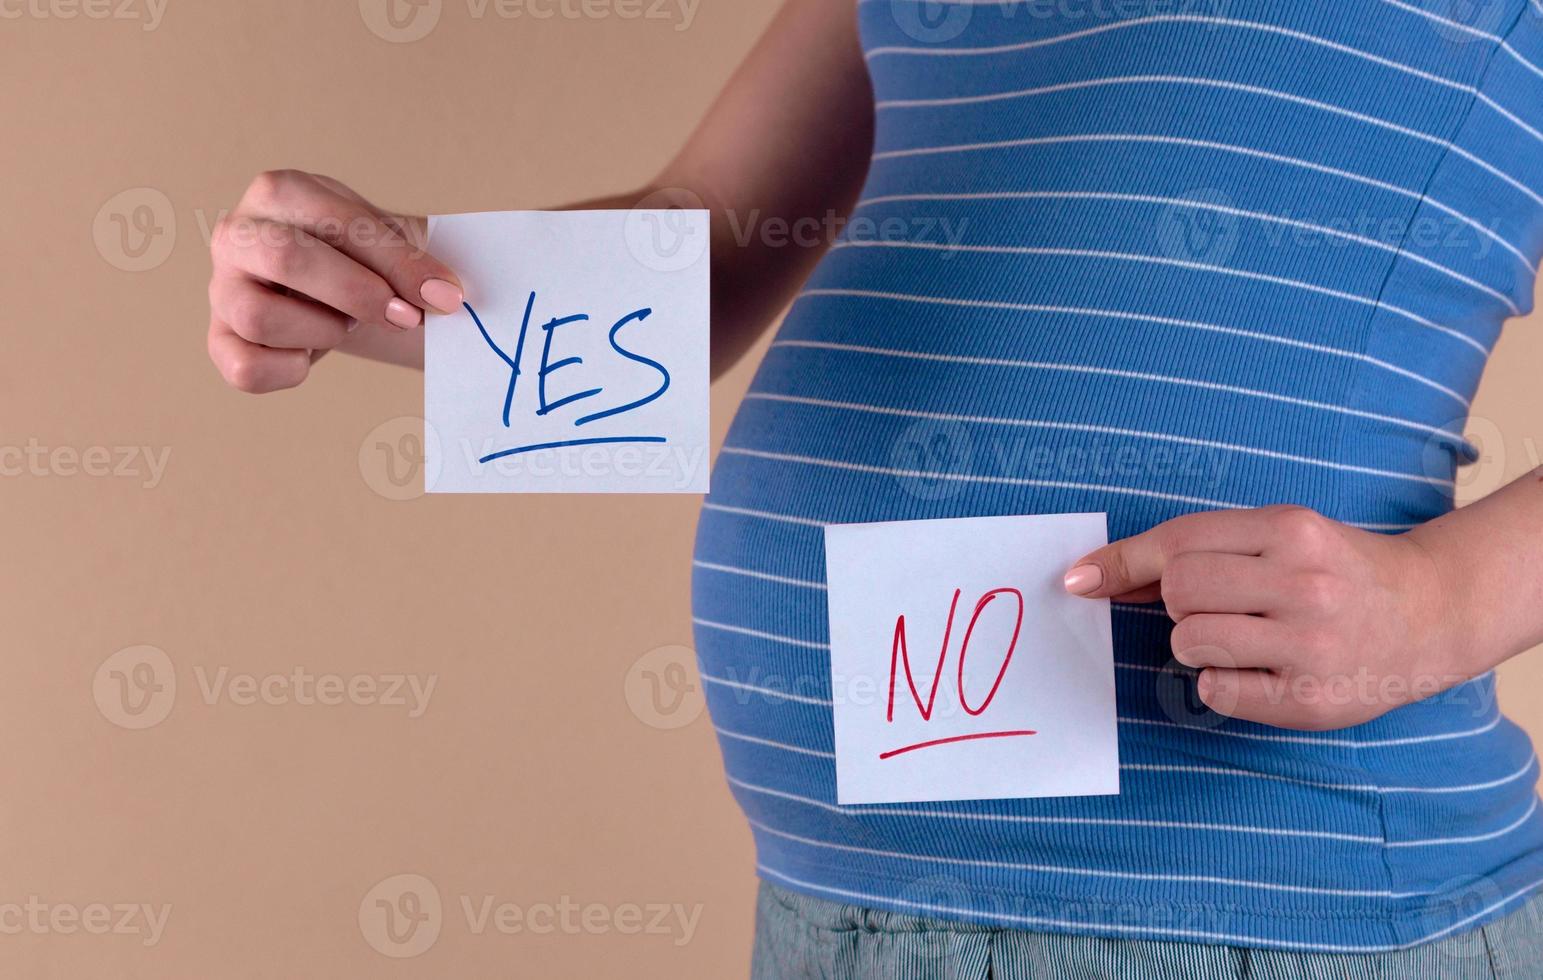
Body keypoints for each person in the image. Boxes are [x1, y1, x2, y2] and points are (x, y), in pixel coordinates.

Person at [205, 0, 1543, 975]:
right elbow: (705, 248)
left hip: (1261, 910)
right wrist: (366, 287)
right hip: (832, 911)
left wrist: (1437, 602)